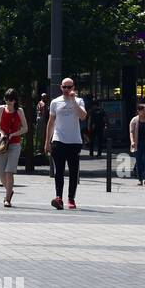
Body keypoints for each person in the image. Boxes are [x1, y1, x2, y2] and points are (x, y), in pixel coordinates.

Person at [44, 78, 86, 210]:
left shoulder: (79, 101)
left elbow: (83, 116)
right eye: (64, 87)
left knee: (74, 171)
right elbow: (51, 123)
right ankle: (58, 198)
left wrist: (73, 101)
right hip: (58, 139)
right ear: (61, 87)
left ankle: (71, 198)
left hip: (74, 141)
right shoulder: (55, 102)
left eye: (69, 87)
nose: (67, 90)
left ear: (73, 87)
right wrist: (47, 141)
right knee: (59, 171)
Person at [0, 88, 28, 207]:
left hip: (14, 144)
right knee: (1, 173)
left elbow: (25, 128)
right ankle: (9, 190)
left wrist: (13, 134)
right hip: (2, 143)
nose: (9, 102)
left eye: (11, 100)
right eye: (7, 99)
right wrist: (2, 133)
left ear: (15, 100)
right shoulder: (0, 109)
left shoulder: (19, 111)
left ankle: (7, 198)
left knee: (9, 172)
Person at [128, 102, 145, 185]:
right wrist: (132, 141)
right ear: (138, 111)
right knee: (139, 162)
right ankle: (140, 179)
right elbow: (131, 132)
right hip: (137, 144)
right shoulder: (134, 120)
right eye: (143, 110)